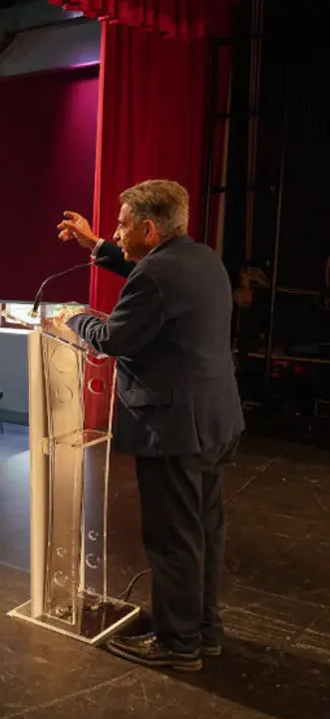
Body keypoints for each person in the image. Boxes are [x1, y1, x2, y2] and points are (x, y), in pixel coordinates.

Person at [56, 180, 244, 671]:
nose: (115, 232)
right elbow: (149, 279)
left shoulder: (157, 276)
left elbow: (115, 337)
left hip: (174, 428)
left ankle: (177, 643)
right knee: (203, 532)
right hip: (214, 421)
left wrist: (74, 319)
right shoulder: (200, 258)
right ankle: (204, 632)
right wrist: (96, 245)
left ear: (147, 227)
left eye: (120, 225)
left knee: (173, 538)